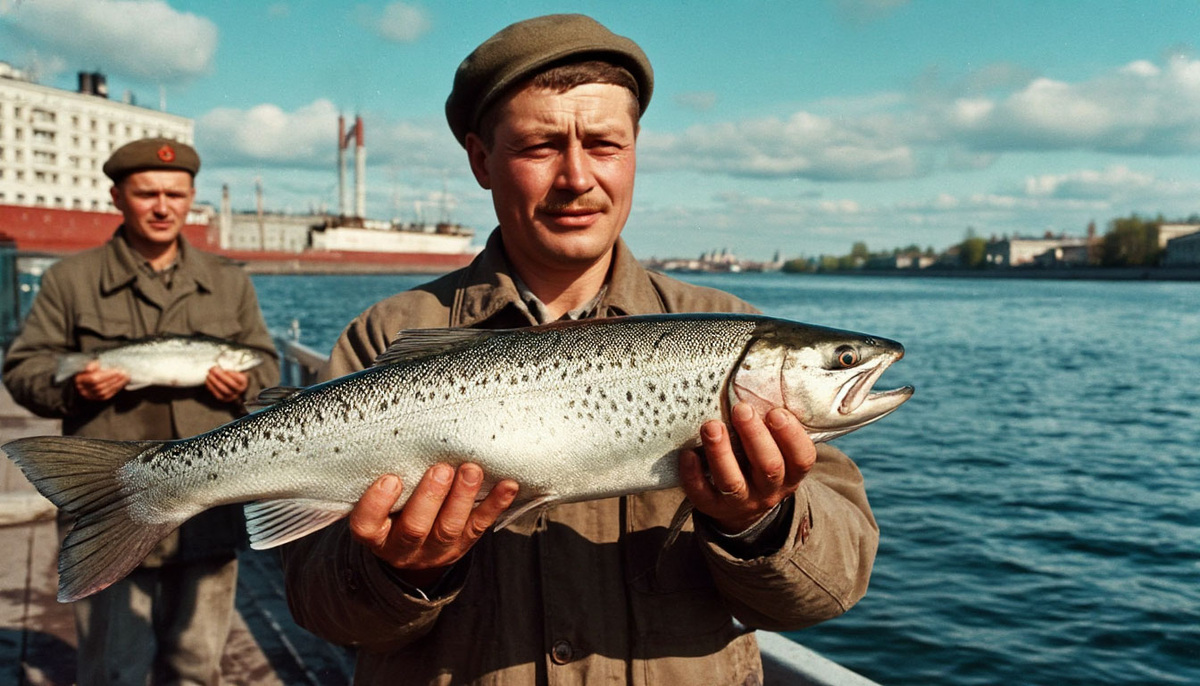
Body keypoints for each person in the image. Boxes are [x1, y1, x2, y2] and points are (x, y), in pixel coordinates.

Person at [281, 14, 878, 685]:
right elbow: (319, 606)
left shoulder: (731, 326)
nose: (576, 177)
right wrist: (401, 570)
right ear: (481, 159)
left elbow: (831, 588)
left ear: (635, 151)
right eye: (539, 146)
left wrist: (757, 521)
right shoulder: (384, 335)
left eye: (603, 144)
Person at [3, 138, 280, 685]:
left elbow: (268, 367)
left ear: (191, 197)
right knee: (113, 669)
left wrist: (243, 387)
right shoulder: (70, 280)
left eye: (175, 194)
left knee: (198, 668)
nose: (162, 206)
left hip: (209, 509)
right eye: (146, 192)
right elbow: (24, 369)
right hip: (112, 503)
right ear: (117, 197)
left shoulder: (229, 280)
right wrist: (78, 387)